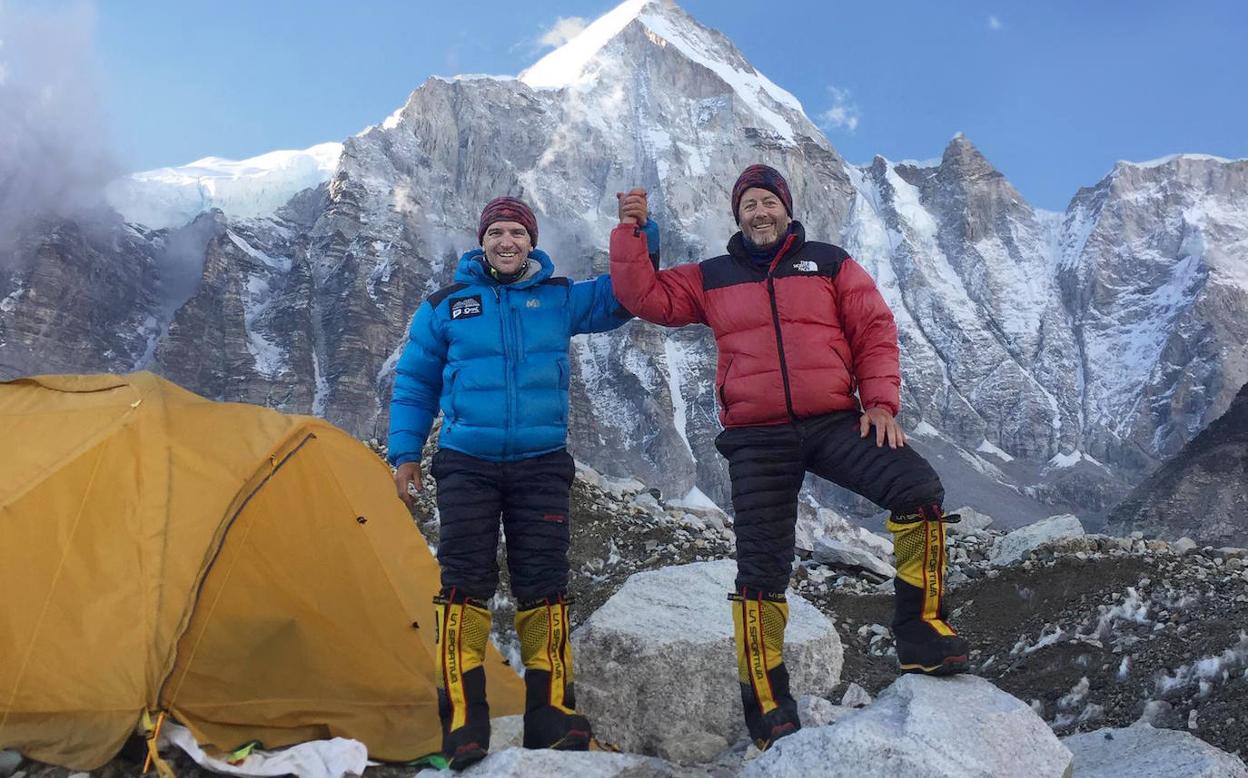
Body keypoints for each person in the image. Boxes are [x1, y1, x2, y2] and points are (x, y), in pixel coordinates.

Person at [609, 165, 969, 750]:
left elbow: (873, 328)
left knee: (917, 489)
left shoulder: (829, 262)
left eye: (767, 202)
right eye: (749, 204)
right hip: (757, 437)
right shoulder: (711, 277)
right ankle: (769, 706)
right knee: (761, 570)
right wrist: (633, 233)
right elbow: (643, 297)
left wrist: (879, 401)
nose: (759, 213)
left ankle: (923, 631)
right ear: (737, 214)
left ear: (786, 208)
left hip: (833, 421)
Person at [388, 196, 645, 768]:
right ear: (482, 241)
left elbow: (627, 296)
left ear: (532, 241)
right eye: (497, 232)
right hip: (465, 464)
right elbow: (414, 384)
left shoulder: (559, 298)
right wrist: (404, 453)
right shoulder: (445, 306)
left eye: (517, 234)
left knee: (544, 585)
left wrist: (635, 232)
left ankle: (550, 718)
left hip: (541, 464)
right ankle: (462, 725)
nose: (507, 242)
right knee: (463, 586)